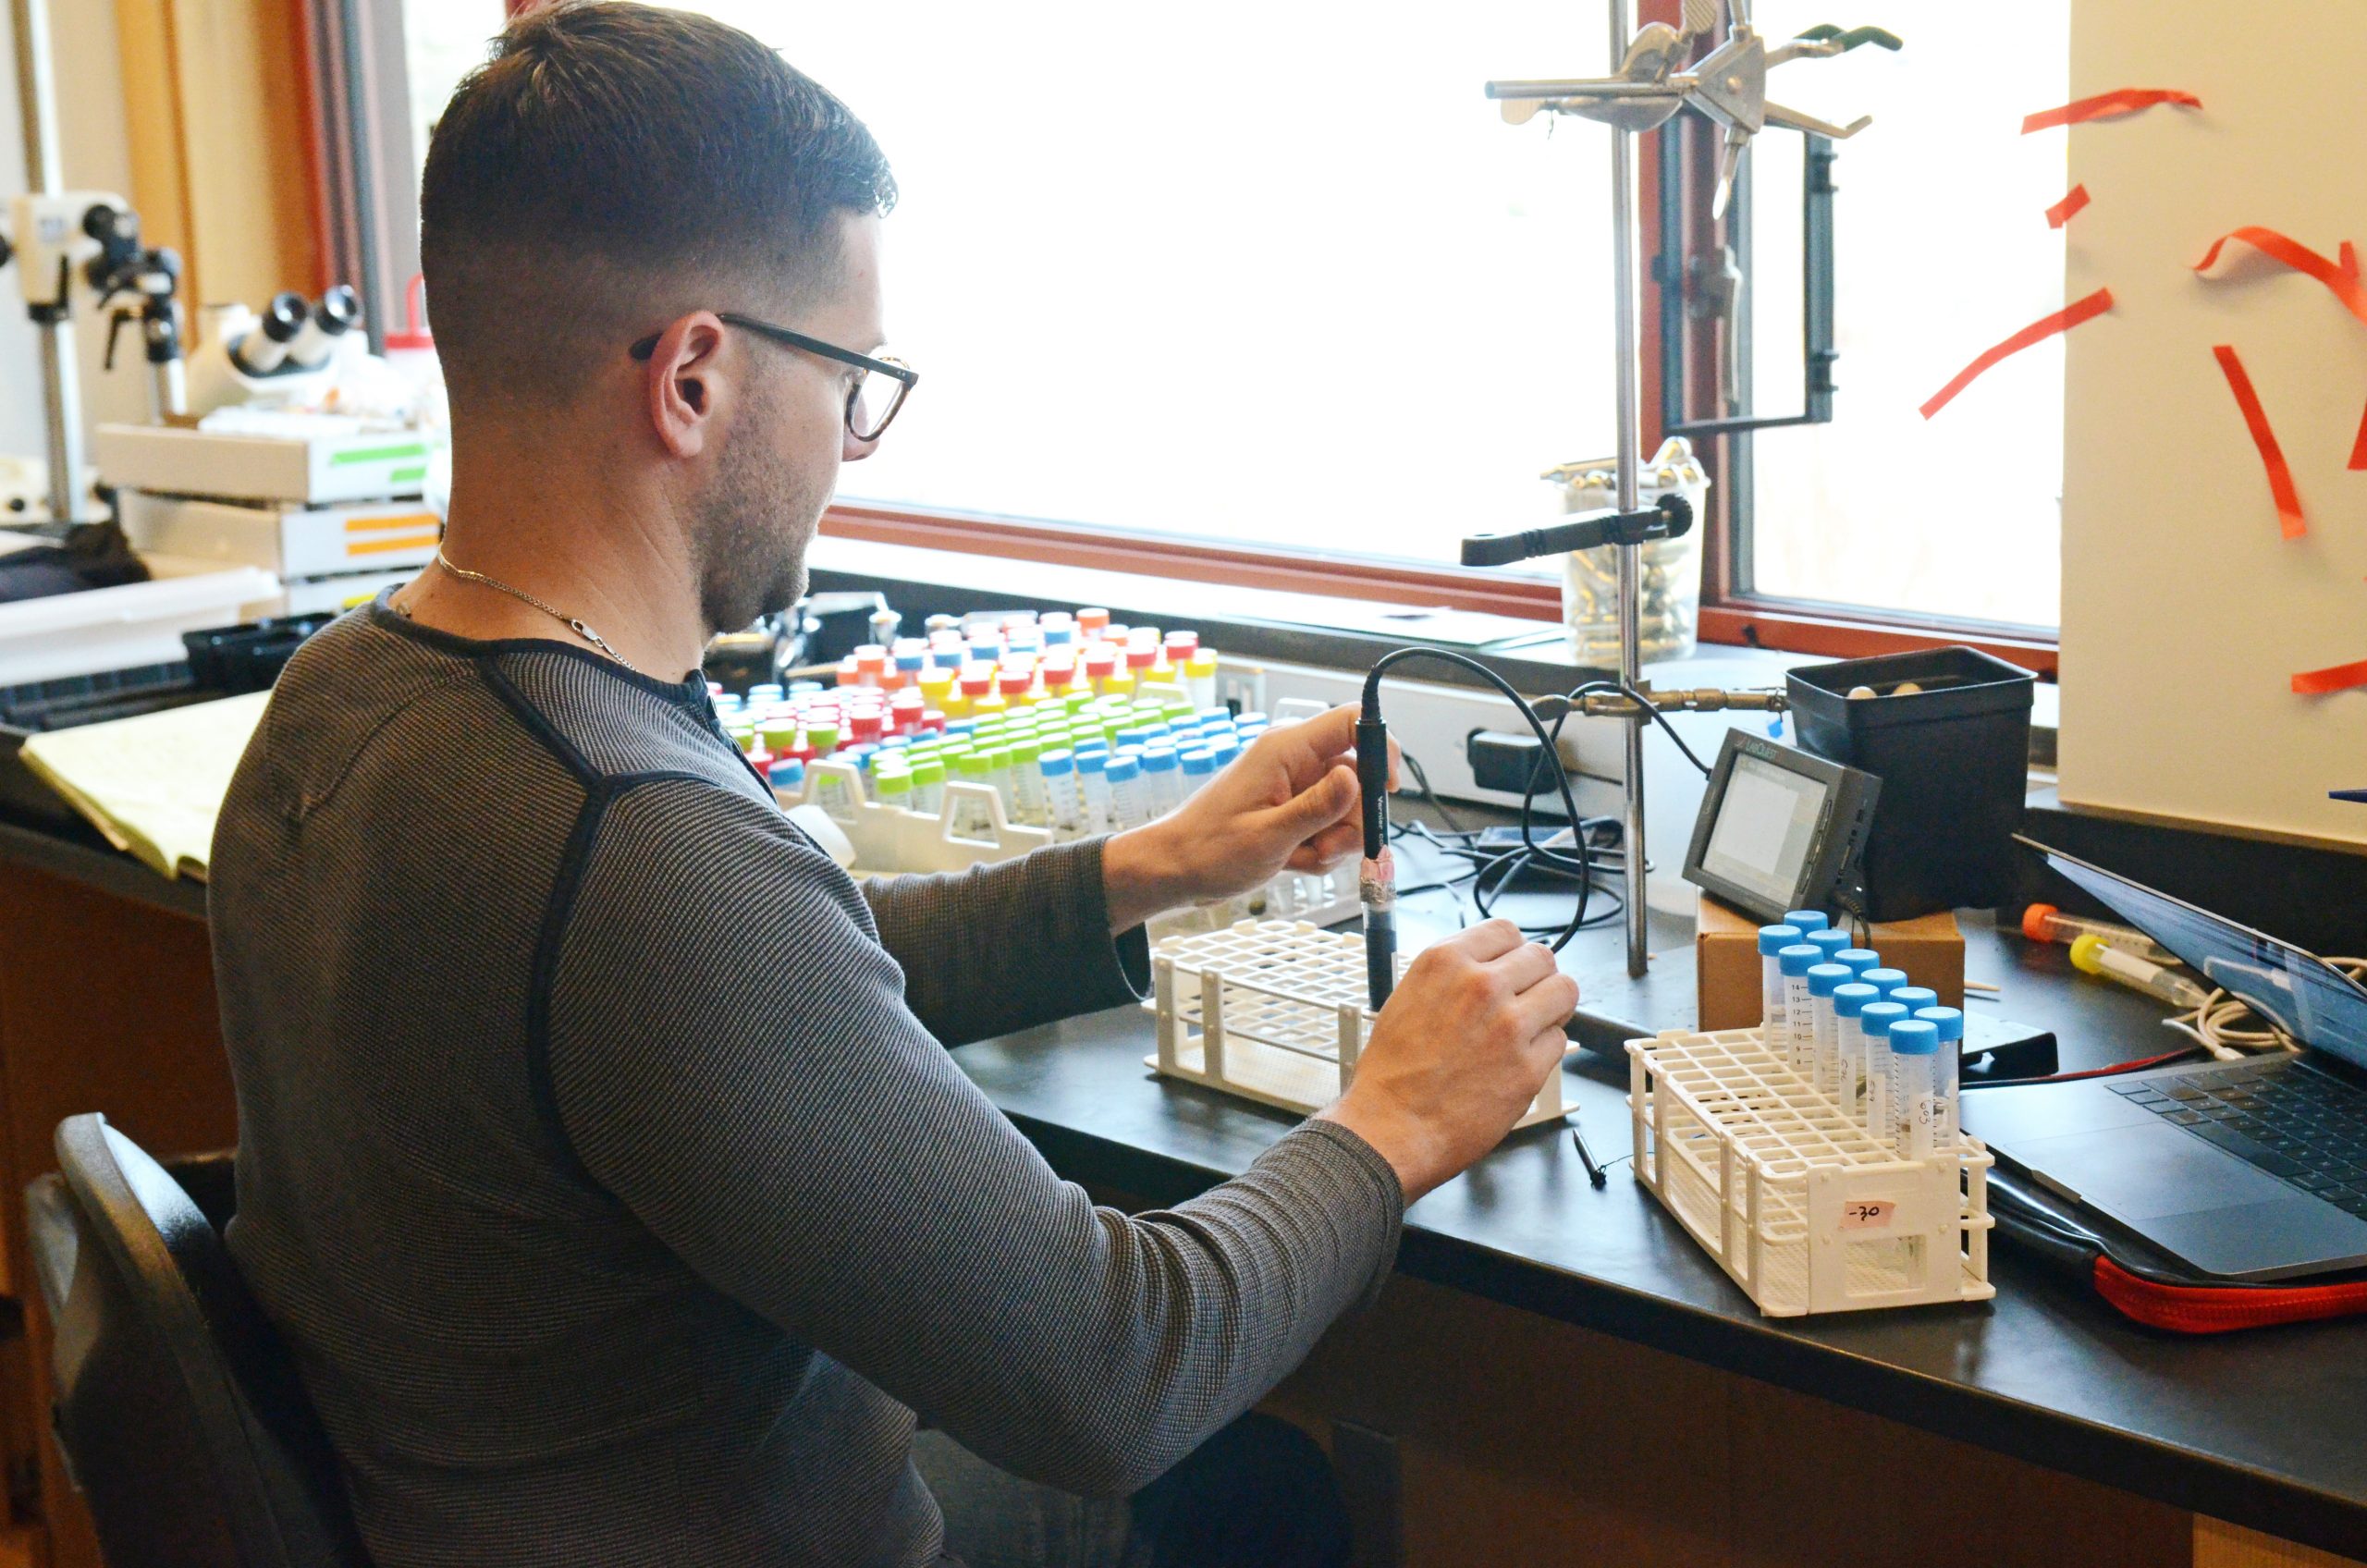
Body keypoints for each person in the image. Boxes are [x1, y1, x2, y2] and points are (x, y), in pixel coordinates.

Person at [207, 6, 1580, 1565]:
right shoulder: (633, 844)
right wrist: (1395, 1120)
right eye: (852, 374)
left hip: (474, 1508)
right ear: (697, 381)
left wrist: (1148, 870)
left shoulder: (344, 698)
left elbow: (747, 1010)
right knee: (1254, 1493)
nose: (855, 442)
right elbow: (1113, 1373)